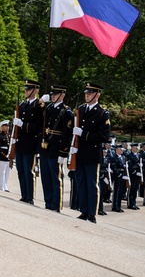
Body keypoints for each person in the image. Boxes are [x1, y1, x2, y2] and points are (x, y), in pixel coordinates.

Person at [70, 83, 111, 223]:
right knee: (81, 182)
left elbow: (104, 137)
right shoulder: (80, 109)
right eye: (86, 93)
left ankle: (92, 213)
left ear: (97, 95)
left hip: (93, 154)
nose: (87, 95)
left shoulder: (102, 113)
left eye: (90, 93)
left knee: (92, 184)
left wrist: (84, 134)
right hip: (79, 152)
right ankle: (83, 210)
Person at [39, 85, 72, 211]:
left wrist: (63, 153)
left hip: (56, 149)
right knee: (45, 177)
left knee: (56, 178)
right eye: (52, 94)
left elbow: (67, 134)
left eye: (55, 94)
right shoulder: (47, 108)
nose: (52, 96)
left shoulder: (66, 111)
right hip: (45, 147)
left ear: (62, 95)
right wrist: (41, 101)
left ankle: (56, 205)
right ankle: (48, 202)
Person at [13, 80, 45, 205]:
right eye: (26, 89)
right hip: (20, 142)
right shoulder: (22, 105)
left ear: (36, 90)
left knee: (28, 170)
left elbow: (38, 127)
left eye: (29, 89)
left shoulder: (39, 106)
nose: (26, 91)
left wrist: (23, 125)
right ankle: (24, 194)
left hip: (31, 143)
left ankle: (30, 196)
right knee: (20, 169)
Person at [0, 120, 12, 192]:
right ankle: (0, 186)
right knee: (2, 172)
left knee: (7, 172)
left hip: (8, 156)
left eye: (7, 126)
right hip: (1, 156)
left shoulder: (10, 135)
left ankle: (5, 185)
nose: (7, 127)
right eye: (5, 126)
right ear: (1, 127)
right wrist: (5, 155)